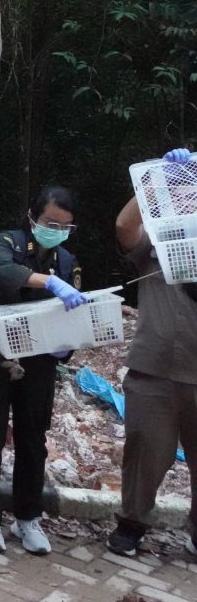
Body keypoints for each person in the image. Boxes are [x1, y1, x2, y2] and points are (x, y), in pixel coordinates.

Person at [0, 186, 90, 555]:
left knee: (33, 439)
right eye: (51, 223)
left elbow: (72, 313)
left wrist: (67, 344)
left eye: (66, 226)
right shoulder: (8, 243)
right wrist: (47, 281)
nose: (58, 231)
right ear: (33, 217)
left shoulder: (68, 263)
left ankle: (28, 517)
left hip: (38, 360)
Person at [106, 148, 197, 557]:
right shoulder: (155, 245)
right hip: (154, 367)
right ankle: (132, 522)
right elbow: (125, 225)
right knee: (145, 449)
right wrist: (156, 177)